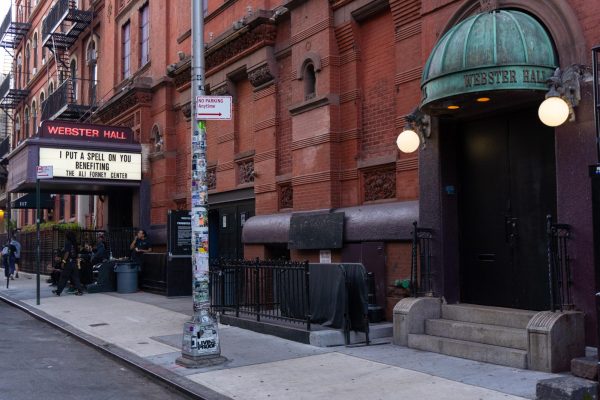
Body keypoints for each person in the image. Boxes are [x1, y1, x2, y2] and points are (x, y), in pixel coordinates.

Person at [52, 231, 83, 296]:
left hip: (69, 263)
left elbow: (67, 253)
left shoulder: (68, 243)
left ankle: (58, 291)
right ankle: (80, 291)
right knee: (76, 277)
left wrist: (63, 261)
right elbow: (77, 253)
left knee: (63, 277)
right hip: (74, 262)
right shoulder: (75, 244)